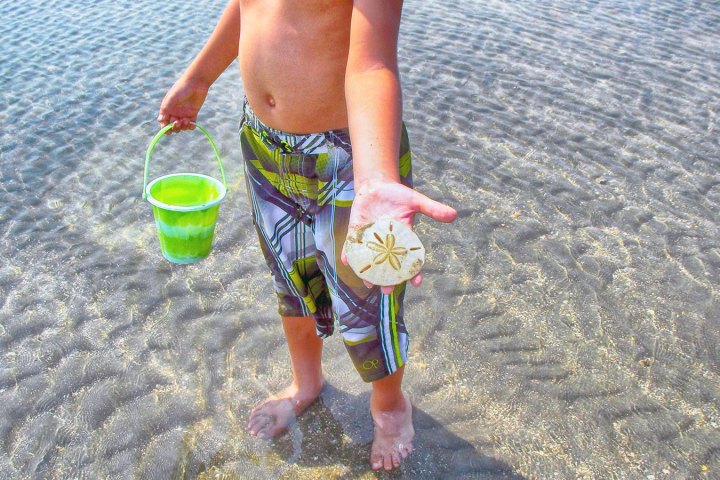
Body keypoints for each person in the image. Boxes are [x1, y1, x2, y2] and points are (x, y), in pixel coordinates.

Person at [157, 0, 457, 471]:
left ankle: (389, 404)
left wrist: (376, 177)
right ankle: (306, 383)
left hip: (350, 155)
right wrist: (200, 76)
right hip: (264, 143)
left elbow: (372, 62)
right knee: (292, 277)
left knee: (367, 296)